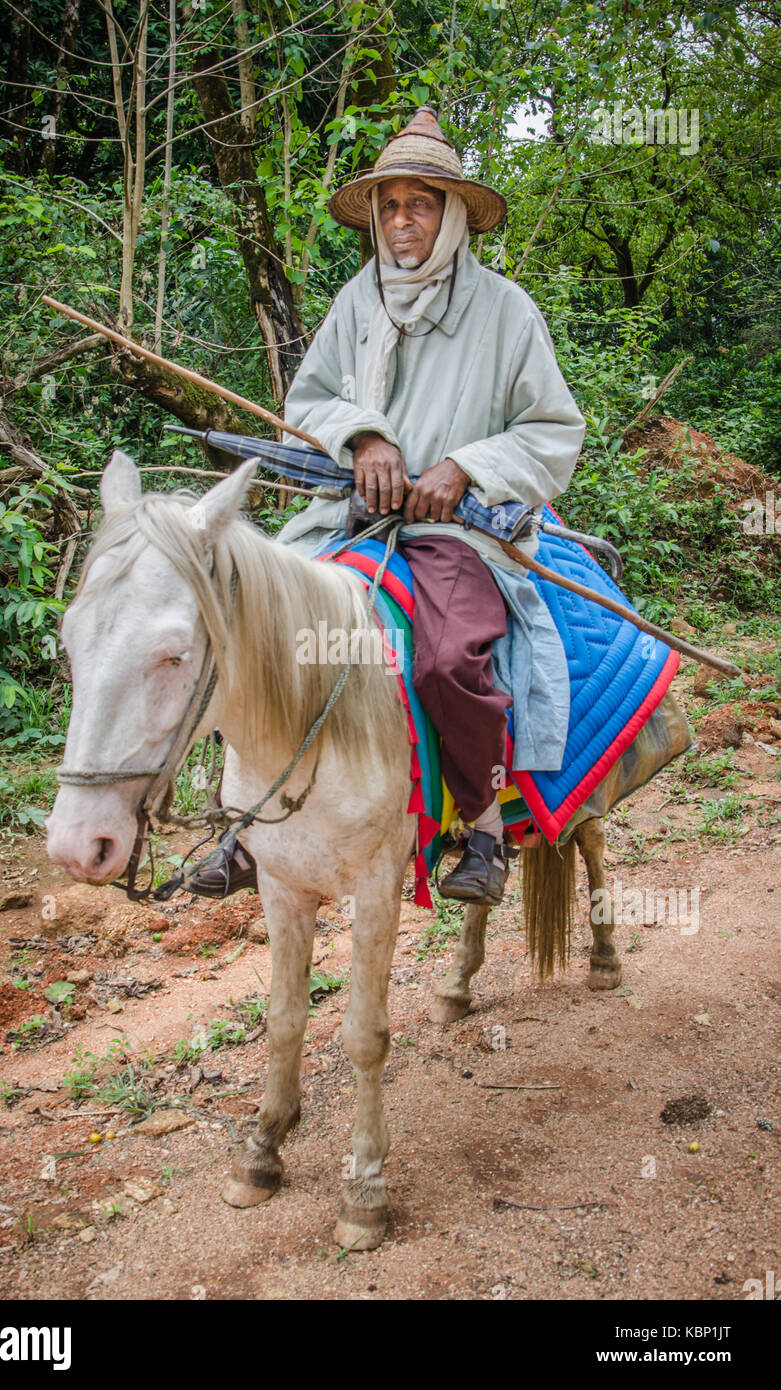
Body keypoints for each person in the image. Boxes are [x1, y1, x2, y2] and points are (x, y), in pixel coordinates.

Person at [193, 107, 586, 904]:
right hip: (350, 522)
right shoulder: (355, 302)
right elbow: (308, 405)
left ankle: (478, 826)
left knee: (446, 659)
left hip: (455, 536)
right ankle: (241, 819)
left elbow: (552, 430)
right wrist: (365, 440)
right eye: (389, 205)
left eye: (419, 203)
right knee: (251, 627)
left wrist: (466, 467)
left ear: (450, 216)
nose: (401, 221)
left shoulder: (505, 310)